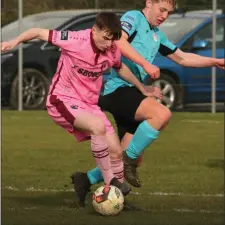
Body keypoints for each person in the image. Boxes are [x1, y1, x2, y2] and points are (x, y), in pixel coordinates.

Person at [71, 0, 225, 201]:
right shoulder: (134, 18)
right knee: (161, 114)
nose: (164, 15)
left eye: (168, 12)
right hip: (117, 89)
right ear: (149, 3)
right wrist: (145, 64)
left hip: (132, 91)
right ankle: (127, 162)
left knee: (131, 153)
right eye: (161, 9)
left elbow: (182, 57)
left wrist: (214, 61)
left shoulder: (156, 35)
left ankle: (85, 179)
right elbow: (118, 40)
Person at [1, 12, 155, 207]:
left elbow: (120, 67)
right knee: (97, 126)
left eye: (112, 39)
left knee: (116, 151)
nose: (109, 44)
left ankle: (108, 195)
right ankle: (112, 183)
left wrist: (142, 88)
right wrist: (14, 41)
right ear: (94, 30)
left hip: (89, 105)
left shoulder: (112, 49)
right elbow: (39, 32)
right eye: (105, 38)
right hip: (62, 100)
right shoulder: (75, 39)